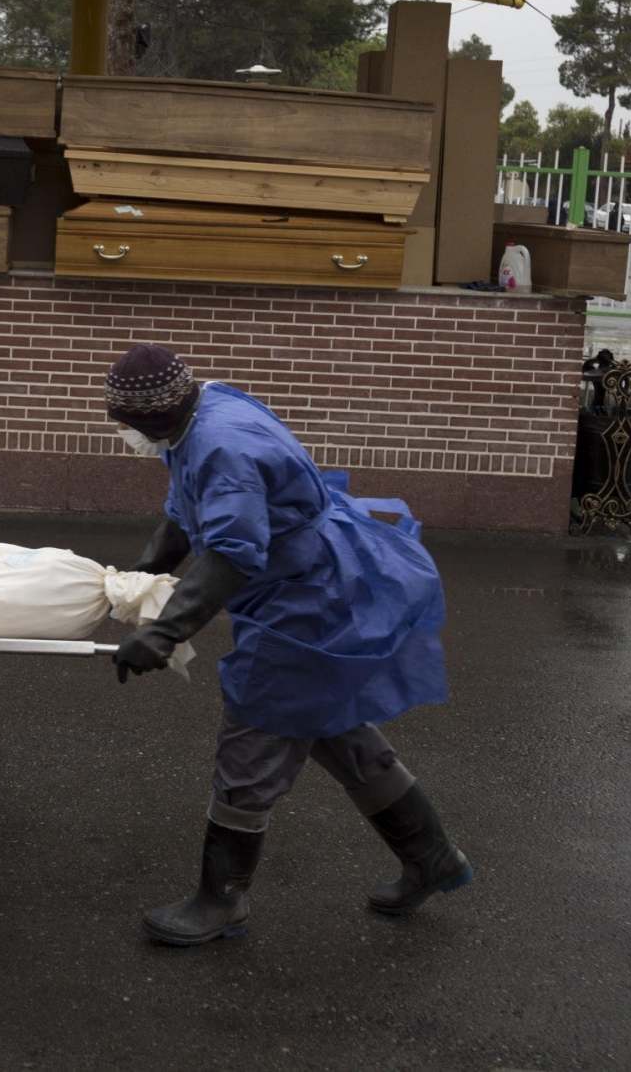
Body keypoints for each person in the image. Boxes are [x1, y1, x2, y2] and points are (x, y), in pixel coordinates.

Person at [104, 343, 471, 946]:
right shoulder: (205, 408)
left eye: (129, 425)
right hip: (309, 579)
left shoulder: (223, 446)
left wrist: (164, 632)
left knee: (257, 733)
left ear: (157, 417)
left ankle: (219, 902)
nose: (127, 436)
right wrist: (141, 575)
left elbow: (231, 549)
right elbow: (186, 511)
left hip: (305, 604)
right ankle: (433, 858)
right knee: (333, 724)